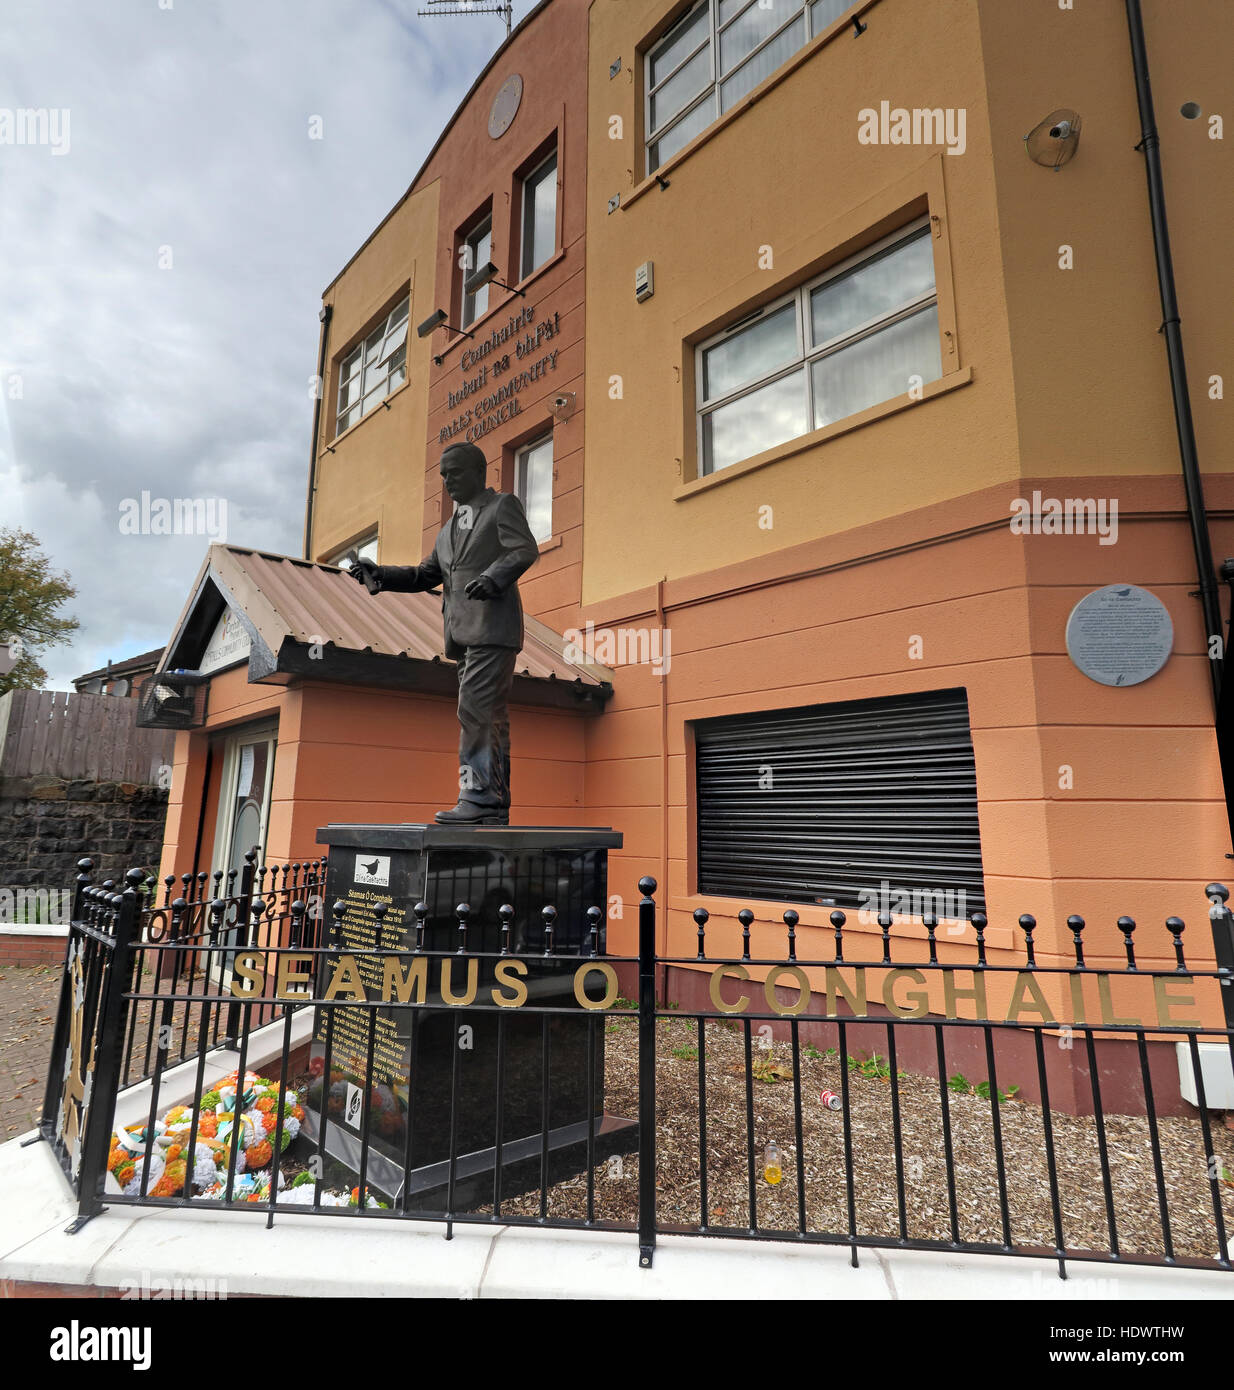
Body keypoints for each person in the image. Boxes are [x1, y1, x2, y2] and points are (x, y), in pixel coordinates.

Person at [347, 441, 539, 825]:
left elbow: (524, 550)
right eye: (443, 475)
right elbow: (424, 576)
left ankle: (480, 799)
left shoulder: (502, 506)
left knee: (477, 712)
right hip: (463, 637)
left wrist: (492, 579)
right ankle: (490, 801)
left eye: (455, 472)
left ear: (479, 473)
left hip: (492, 630)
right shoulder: (448, 530)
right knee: (483, 715)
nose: (447, 481)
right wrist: (380, 574)